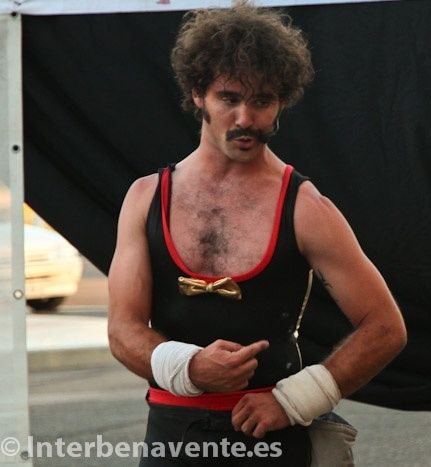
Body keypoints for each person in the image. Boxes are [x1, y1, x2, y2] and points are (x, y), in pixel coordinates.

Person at [107, 3, 407, 465]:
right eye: (229, 98)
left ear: (280, 103)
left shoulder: (306, 208)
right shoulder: (146, 197)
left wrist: (294, 400)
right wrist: (189, 367)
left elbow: (385, 328)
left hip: (273, 440)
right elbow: (122, 330)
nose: (245, 118)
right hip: (172, 439)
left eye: (262, 101)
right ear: (197, 94)